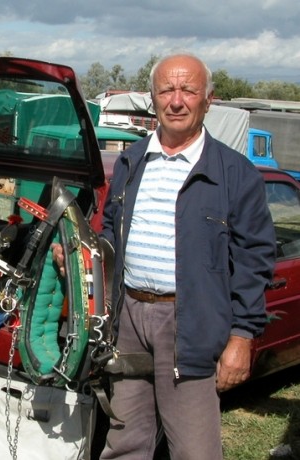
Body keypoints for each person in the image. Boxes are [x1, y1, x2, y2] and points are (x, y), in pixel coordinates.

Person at [94, 54, 277, 459]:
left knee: (195, 450)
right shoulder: (131, 161)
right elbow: (110, 230)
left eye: (188, 90)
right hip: (129, 320)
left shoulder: (235, 174)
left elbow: (254, 260)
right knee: (126, 440)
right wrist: (83, 254)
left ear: (207, 100)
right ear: (153, 99)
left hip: (190, 325)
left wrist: (242, 337)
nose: (177, 101)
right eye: (166, 90)